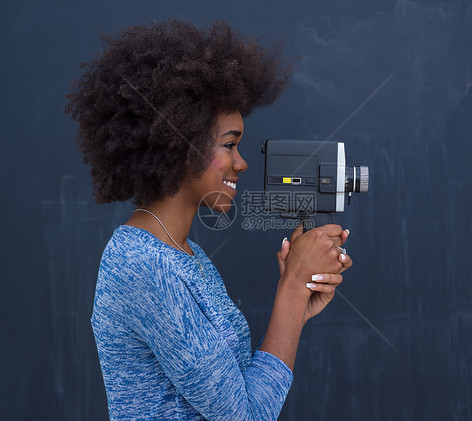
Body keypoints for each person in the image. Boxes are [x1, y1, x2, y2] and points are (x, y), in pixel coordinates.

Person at [65, 19, 352, 420]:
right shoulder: (145, 267)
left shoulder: (187, 255)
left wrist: (299, 299)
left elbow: (239, 397)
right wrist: (289, 294)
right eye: (230, 145)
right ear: (179, 143)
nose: (242, 162)